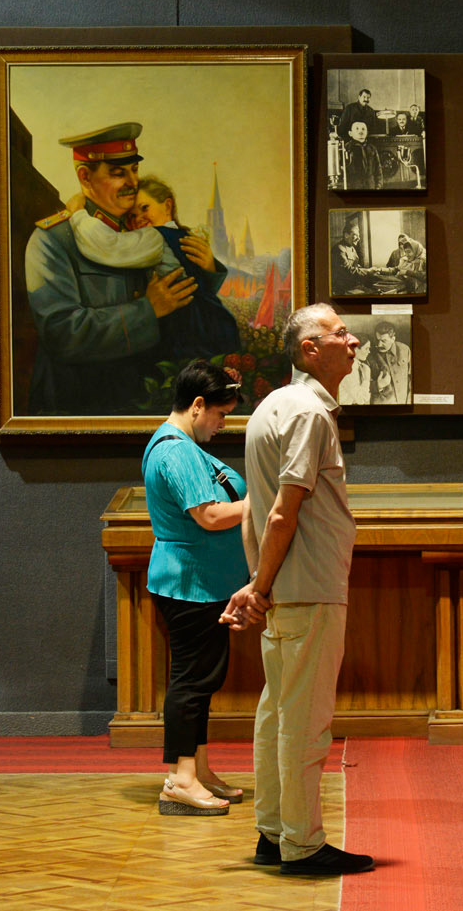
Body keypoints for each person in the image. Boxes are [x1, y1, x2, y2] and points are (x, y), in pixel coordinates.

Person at [220, 304, 375, 876]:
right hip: (308, 584)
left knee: (277, 713)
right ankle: (303, 844)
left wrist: (258, 583)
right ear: (310, 349)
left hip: (288, 585)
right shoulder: (309, 413)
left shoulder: (271, 406)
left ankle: (273, 831)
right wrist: (259, 586)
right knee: (306, 722)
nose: (353, 341)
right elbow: (282, 512)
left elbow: (253, 511)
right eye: (340, 333)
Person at [23, 122, 200, 414]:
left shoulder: (143, 233)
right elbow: (61, 333)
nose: (132, 182)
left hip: (145, 404)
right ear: (85, 176)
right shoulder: (53, 239)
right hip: (77, 409)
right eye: (118, 173)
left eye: (134, 170)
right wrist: (147, 310)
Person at [142, 361, 250, 816]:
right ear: (198, 405)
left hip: (202, 583)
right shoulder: (176, 451)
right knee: (191, 680)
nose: (222, 424)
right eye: (220, 415)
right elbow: (208, 515)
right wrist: (263, 503)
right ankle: (181, 780)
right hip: (189, 584)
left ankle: (198, 770)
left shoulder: (182, 445)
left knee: (202, 680)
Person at [70, 174, 242, 362]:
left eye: (144, 208)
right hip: (214, 323)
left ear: (167, 206)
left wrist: (78, 214)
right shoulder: (182, 235)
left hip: (187, 328)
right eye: (131, 216)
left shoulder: (154, 237)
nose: (138, 218)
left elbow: (106, 245)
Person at [371, 319, 411, 403]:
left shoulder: (405, 349)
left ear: (393, 339)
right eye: (377, 340)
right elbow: (359, 385)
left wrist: (410, 400)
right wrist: (377, 385)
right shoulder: (368, 354)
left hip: (404, 402)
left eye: (383, 341)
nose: (379, 344)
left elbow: (412, 377)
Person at [342, 121, 383, 190]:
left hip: (371, 186)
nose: (360, 132)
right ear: (350, 133)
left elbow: (378, 169)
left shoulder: (372, 148)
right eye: (357, 129)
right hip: (353, 186)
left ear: (367, 132)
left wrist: (378, 186)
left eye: (363, 129)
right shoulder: (346, 148)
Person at [338, 334, 373, 405]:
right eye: (366, 348)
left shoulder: (357, 365)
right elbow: (361, 399)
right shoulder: (348, 369)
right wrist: (366, 379)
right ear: (355, 349)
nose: (369, 352)